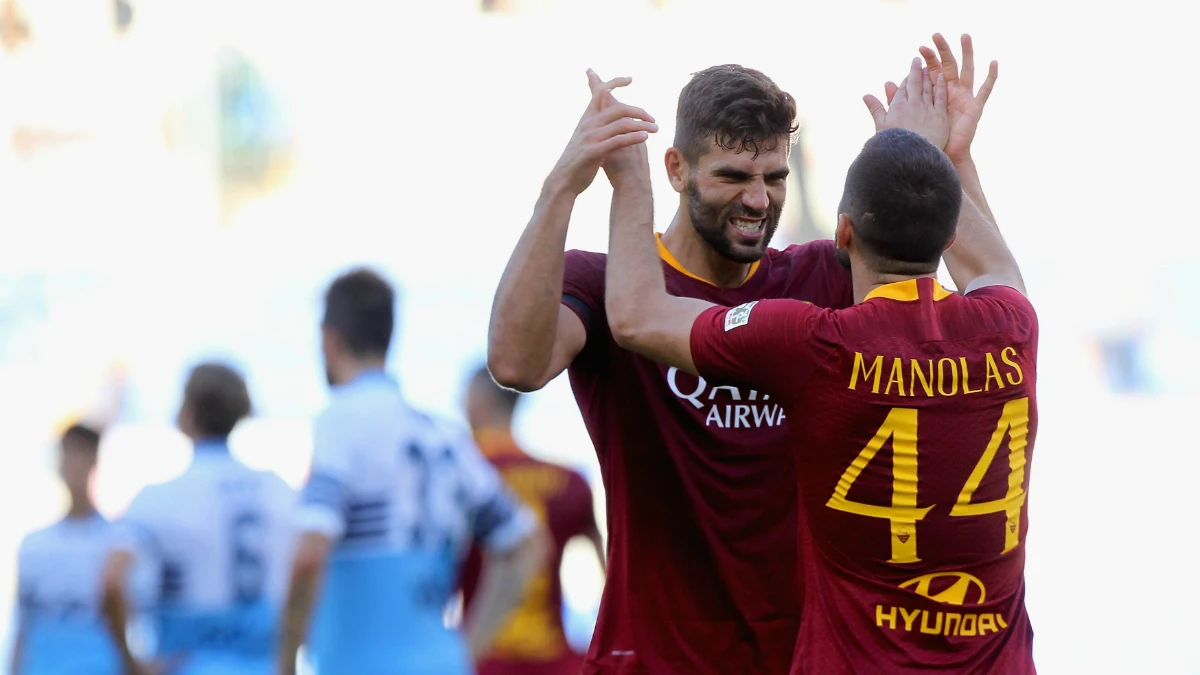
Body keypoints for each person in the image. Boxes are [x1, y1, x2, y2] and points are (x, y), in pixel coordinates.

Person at [604, 36, 1036, 675]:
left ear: (842, 233)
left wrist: (630, 180)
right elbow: (990, 260)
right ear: (948, 236)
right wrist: (948, 154)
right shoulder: (1011, 326)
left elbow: (638, 316)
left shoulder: (811, 343)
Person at [487, 64, 853, 673]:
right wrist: (562, 186)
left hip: (800, 659)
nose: (758, 200)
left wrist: (939, 160)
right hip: (651, 658)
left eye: (773, 177)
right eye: (733, 176)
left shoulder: (818, 279)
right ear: (676, 169)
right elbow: (515, 365)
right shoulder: (601, 283)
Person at [279, 268, 547, 675]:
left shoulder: (340, 419)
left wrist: (282, 664)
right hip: (442, 663)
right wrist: (467, 652)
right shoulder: (444, 435)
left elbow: (309, 553)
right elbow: (527, 546)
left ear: (329, 341)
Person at [101, 363, 297, 675]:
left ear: (187, 412)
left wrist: (132, 664)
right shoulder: (279, 491)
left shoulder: (158, 498)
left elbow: (111, 582)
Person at [459, 364, 605, 675]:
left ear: (474, 404)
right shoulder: (570, 481)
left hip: (481, 659)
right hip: (557, 662)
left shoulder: (460, 478)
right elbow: (610, 574)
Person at [12, 423, 121, 675]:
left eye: (80, 452)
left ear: (95, 458)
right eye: (67, 452)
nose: (73, 462)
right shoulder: (35, 545)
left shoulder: (118, 543)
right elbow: (23, 625)